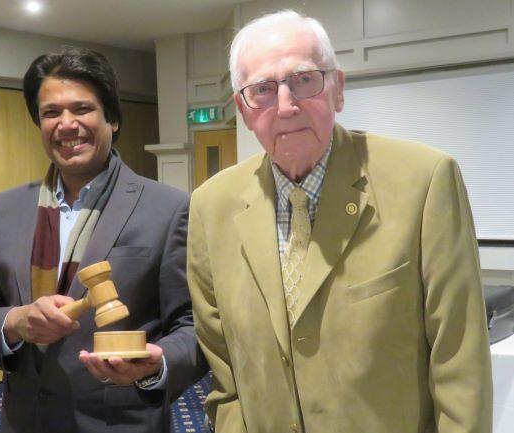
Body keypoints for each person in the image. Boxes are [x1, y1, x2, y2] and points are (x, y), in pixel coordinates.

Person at [187, 10, 492, 433]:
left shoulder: (424, 181)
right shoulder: (210, 206)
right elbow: (225, 375)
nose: (286, 105)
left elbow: (460, 364)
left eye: (304, 80)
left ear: (338, 89)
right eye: (263, 90)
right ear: (243, 108)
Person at [0, 47, 207, 433]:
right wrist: (16, 321)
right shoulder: (3, 210)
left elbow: (193, 326)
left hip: (120, 422)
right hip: (23, 421)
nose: (67, 124)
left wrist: (158, 362)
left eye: (82, 109)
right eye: (51, 113)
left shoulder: (168, 208)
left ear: (113, 119)